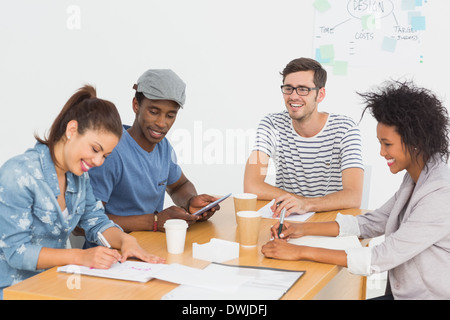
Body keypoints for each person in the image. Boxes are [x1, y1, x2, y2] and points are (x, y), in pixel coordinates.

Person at [262, 80, 450, 300]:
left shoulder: (440, 193)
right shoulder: (417, 175)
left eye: (387, 144)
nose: (381, 153)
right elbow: (373, 222)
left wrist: (299, 252)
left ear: (415, 141)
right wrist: (302, 229)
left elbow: (380, 257)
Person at [0, 85, 164, 299]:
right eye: (95, 149)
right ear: (71, 130)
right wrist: (80, 256)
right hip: (16, 291)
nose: (97, 161)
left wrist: (125, 241)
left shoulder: (78, 176)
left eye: (105, 155)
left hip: (55, 285)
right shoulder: (18, 174)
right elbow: (16, 252)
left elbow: (95, 221)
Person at [87, 69, 219, 235]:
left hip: (147, 247)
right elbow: (87, 221)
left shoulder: (163, 147)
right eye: (154, 112)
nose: (162, 123)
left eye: (170, 115)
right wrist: (154, 221)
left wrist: (190, 201)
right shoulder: (110, 151)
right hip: (108, 252)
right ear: (136, 105)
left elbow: (179, 186)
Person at [244, 57, 364, 217]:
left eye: (303, 89)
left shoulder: (345, 129)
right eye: (288, 88)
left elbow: (354, 196)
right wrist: (299, 203)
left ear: (320, 95)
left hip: (328, 221)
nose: (293, 96)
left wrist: (306, 204)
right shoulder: (271, 124)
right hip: (286, 220)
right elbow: (251, 185)